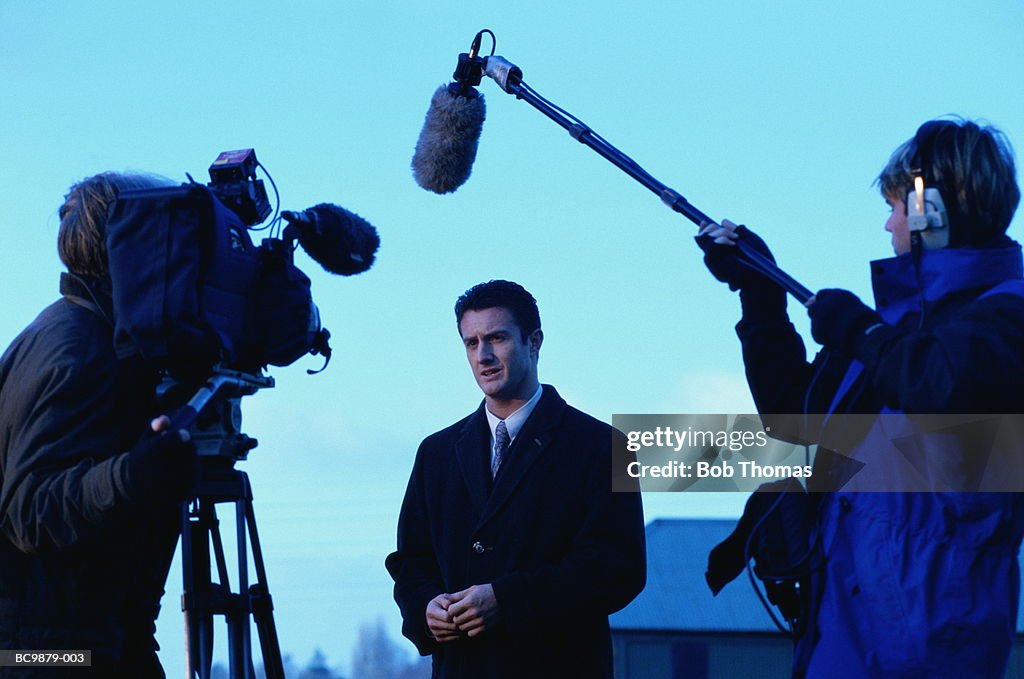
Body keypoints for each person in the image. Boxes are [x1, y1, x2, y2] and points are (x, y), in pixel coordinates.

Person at [699, 118, 1024, 678]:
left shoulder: (1005, 318)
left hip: (931, 655)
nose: (888, 223)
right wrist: (761, 294)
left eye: (898, 205)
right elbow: (794, 417)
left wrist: (862, 334)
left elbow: (943, 384)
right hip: (840, 640)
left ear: (931, 210)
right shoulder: (892, 337)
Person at [385, 280, 646, 678]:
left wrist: (506, 600)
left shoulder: (605, 446)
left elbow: (618, 567)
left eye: (497, 338)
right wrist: (425, 607)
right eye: (471, 343)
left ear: (534, 341)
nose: (483, 356)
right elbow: (411, 560)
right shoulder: (435, 453)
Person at [0, 172, 194, 677]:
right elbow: (28, 508)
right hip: (42, 656)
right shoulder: (76, 350)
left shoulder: (97, 335)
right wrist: (130, 476)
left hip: (84, 645)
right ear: (129, 248)